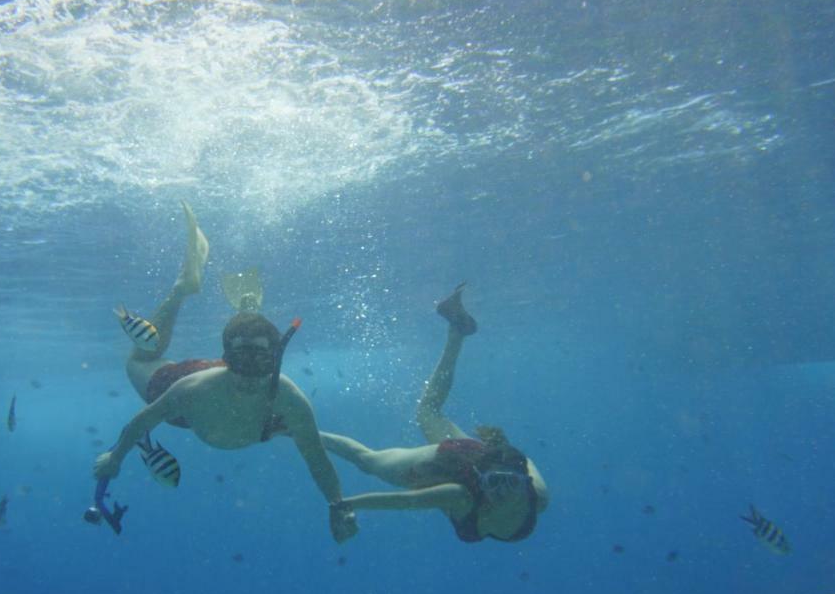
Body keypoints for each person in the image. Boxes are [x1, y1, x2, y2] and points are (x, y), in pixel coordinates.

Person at [92, 203, 358, 539]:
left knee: (285, 423)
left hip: (238, 407)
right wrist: (115, 457)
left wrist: (338, 505)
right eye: (241, 361)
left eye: (259, 360)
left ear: (274, 362)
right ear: (226, 358)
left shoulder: (288, 400)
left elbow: (317, 459)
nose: (248, 375)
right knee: (139, 361)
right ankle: (181, 290)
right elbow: (144, 420)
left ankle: (244, 315)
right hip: (190, 389)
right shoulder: (190, 389)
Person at [321, 283, 548, 543]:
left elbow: (408, 501)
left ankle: (457, 329)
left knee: (427, 412)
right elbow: (408, 500)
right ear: (482, 482)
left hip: (480, 452)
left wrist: (501, 451)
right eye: (496, 482)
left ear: (525, 485)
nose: (503, 494)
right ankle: (295, 429)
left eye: (512, 483)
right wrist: (344, 505)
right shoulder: (463, 495)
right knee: (368, 461)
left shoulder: (537, 497)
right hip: (451, 458)